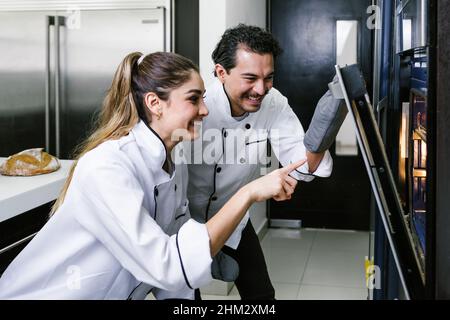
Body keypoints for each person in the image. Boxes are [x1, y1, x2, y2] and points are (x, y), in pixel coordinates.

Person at [0, 51, 305, 300]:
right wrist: (248, 192)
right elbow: (166, 265)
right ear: (155, 104)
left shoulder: (172, 160)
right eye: (194, 99)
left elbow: (175, 242)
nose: (205, 110)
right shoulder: (108, 166)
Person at [186, 24, 347, 300]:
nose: (261, 89)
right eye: (250, 78)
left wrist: (327, 122)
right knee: (187, 301)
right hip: (184, 222)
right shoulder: (196, 106)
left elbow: (302, 161)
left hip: (233, 216)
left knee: (262, 296)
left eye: (268, 78)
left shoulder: (273, 103)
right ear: (221, 73)